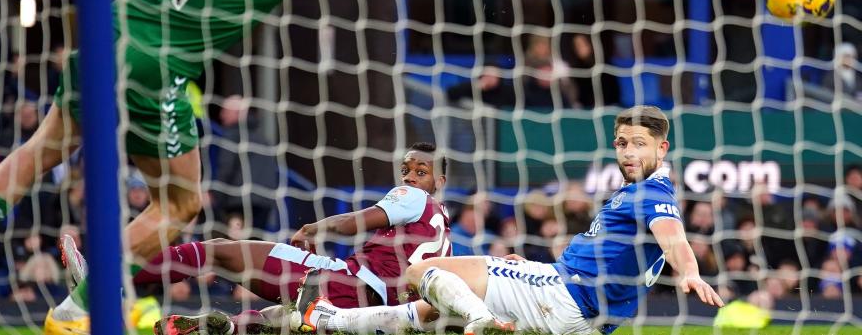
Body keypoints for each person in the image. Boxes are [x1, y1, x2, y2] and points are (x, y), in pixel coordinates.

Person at [0, 0, 556, 334]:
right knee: (182, 200)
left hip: (105, 37)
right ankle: (75, 311)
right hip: (157, 70)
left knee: (41, 148)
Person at [293, 105, 724, 335]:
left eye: (640, 144)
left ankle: (483, 321)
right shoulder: (638, 191)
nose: (628, 152)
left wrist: (689, 272)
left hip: (563, 295)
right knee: (434, 311)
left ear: (662, 149)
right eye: (622, 143)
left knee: (422, 272)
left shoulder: (653, 192)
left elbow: (673, 238)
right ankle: (327, 320)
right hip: (583, 315)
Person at [64, 143, 450, 335]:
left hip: (344, 282)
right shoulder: (447, 240)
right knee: (279, 322)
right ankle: (226, 326)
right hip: (368, 317)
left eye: (421, 171)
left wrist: (315, 229)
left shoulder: (413, 199)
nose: (411, 178)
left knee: (218, 252)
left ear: (439, 183)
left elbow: (356, 220)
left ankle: (103, 284)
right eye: (406, 170)